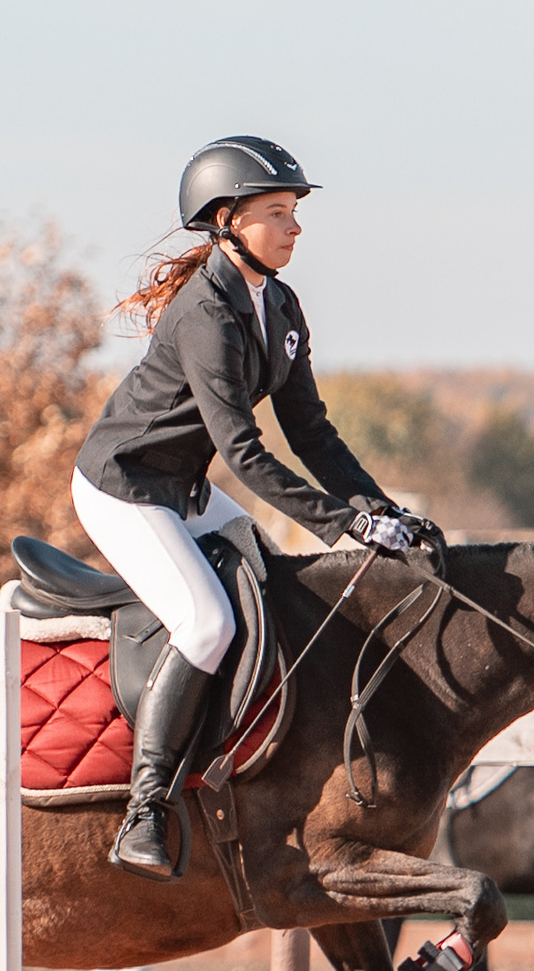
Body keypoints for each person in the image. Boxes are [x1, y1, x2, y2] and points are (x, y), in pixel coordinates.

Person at [72, 135, 435, 880]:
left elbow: (311, 433)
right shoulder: (206, 312)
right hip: (124, 487)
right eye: (279, 212)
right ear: (228, 219)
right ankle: (147, 809)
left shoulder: (280, 303)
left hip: (183, 488)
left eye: (295, 211)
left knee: (269, 586)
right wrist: (342, 525)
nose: (296, 227)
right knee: (207, 622)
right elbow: (244, 451)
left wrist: (382, 511)